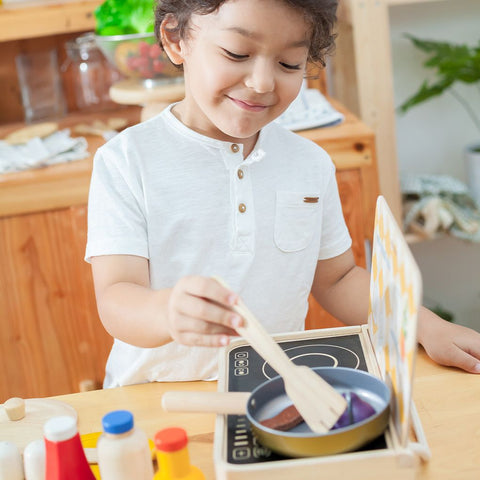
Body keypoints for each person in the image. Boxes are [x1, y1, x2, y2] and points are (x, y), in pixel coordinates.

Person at [85, 0, 480, 388]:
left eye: (289, 64)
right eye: (237, 53)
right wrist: (164, 312)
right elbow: (118, 296)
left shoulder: (309, 163)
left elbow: (339, 278)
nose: (262, 82)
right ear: (175, 39)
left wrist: (427, 327)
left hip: (272, 391)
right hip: (154, 396)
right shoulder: (126, 162)